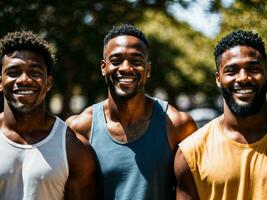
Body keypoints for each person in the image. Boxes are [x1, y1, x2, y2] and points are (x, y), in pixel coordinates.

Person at [66, 24, 197, 199]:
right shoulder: (80, 128)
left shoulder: (178, 125)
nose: (126, 68)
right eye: (116, 60)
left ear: (148, 69)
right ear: (103, 67)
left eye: (136, 61)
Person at [0, 31, 98, 199]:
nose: (24, 79)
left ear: (49, 83)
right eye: (14, 72)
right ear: (1, 82)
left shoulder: (74, 149)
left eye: (35, 72)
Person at [175, 30, 267, 200]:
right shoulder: (190, 154)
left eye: (253, 69)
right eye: (231, 71)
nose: (243, 78)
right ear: (218, 79)